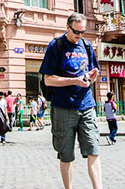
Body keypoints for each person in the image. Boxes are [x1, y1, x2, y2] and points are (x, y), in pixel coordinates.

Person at [40, 12, 103, 189]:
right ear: (67, 28)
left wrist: (92, 77)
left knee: (93, 150)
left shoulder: (87, 46)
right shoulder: (56, 46)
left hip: (87, 105)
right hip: (63, 108)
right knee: (66, 154)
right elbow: (48, 79)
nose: (79, 36)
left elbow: (92, 76)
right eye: (76, 32)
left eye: (82, 32)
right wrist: (74, 81)